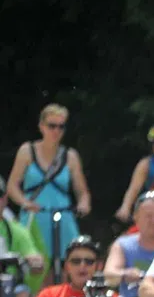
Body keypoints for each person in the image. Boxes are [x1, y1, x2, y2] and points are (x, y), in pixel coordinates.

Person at [6, 104, 92, 276]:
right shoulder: (27, 151)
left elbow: (82, 192)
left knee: (71, 265)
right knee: (36, 268)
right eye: (52, 126)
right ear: (41, 127)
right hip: (35, 217)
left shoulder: (70, 156)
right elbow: (12, 186)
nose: (56, 131)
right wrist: (25, 202)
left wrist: (83, 205)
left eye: (61, 126)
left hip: (63, 216)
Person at [0, 215, 46, 297]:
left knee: (22, 291)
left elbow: (33, 257)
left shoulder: (17, 230)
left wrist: (36, 261)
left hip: (8, 284)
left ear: (5, 199)